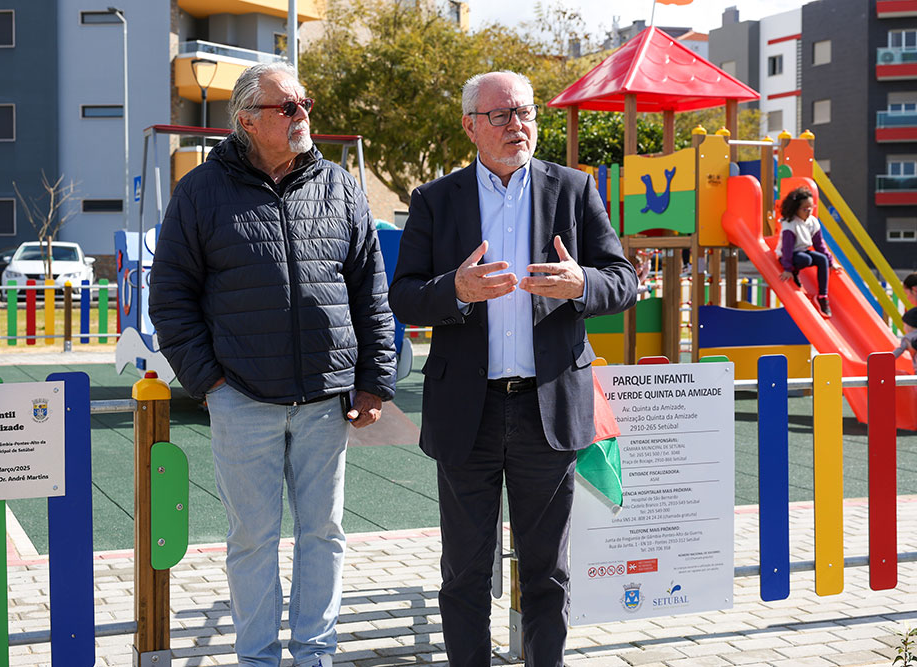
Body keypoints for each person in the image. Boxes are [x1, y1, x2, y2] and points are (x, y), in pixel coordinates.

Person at [149, 62, 396, 667]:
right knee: (253, 540)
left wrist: (374, 379)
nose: (302, 114)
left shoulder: (340, 187)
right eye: (287, 107)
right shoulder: (202, 192)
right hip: (243, 399)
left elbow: (371, 290)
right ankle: (258, 658)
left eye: (304, 102)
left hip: (325, 399)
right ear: (247, 121)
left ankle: (314, 654)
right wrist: (208, 381)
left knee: (324, 535)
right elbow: (171, 296)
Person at [388, 70, 636, 666]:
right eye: (500, 115)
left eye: (524, 112)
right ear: (471, 125)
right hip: (466, 414)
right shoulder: (434, 200)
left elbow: (622, 280)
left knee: (548, 573)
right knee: (465, 573)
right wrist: (457, 289)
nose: (516, 125)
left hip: (545, 408)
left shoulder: (574, 190)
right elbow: (402, 295)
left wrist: (582, 284)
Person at [775, 186, 834, 317]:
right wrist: (788, 269)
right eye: (805, 209)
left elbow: (819, 244)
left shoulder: (812, 221)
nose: (808, 211)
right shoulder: (790, 224)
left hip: (802, 251)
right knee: (805, 259)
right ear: (796, 209)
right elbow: (787, 248)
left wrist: (830, 261)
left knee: (822, 259)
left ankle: (822, 296)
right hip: (787, 256)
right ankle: (795, 272)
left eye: (811, 208)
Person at [892, 307, 917, 373]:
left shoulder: (907, 338)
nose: (904, 328)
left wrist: (890, 357)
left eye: (904, 325)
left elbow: (900, 350)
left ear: (910, 325)